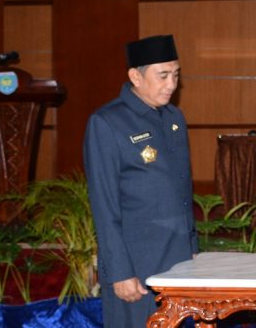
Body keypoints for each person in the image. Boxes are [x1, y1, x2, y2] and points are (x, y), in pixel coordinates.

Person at [84, 34, 197, 327]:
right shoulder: (107, 122)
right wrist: (120, 271)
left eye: (176, 75)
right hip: (136, 264)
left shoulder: (174, 118)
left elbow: (182, 189)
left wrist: (192, 249)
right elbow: (104, 205)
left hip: (178, 259)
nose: (171, 84)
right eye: (163, 75)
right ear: (135, 76)